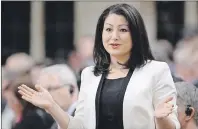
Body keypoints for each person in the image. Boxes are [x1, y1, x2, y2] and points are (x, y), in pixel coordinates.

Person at [18, 4, 180, 129]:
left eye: (123, 30)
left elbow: (172, 126)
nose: (114, 36)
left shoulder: (156, 71)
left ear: (137, 34)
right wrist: (52, 106)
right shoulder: (89, 74)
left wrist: (160, 118)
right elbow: (79, 126)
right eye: (108, 29)